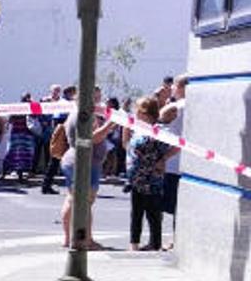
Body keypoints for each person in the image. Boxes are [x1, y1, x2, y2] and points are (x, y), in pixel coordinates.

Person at [59, 87, 116, 250]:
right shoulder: (82, 114)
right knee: (84, 203)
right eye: (95, 98)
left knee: (72, 200)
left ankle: (69, 238)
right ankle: (85, 240)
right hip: (83, 162)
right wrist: (110, 125)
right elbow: (90, 138)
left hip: (80, 160)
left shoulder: (79, 111)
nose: (98, 101)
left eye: (99, 97)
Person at [125, 96, 169, 251]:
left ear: (145, 112)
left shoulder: (159, 130)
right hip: (137, 177)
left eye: (137, 110)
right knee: (136, 212)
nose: (135, 113)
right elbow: (127, 146)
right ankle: (134, 244)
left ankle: (155, 243)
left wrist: (163, 159)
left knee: (153, 213)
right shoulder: (138, 128)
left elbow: (176, 146)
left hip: (151, 177)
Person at [159, 74, 187, 249]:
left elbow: (159, 118)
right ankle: (177, 239)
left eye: (175, 87)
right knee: (179, 207)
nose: (172, 90)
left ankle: (174, 240)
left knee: (170, 205)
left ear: (182, 87)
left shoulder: (177, 106)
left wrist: (163, 158)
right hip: (183, 164)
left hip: (172, 163)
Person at [41, 85, 78, 194]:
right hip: (64, 133)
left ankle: (46, 184)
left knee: (55, 161)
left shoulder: (64, 104)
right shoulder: (66, 104)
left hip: (63, 132)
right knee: (57, 160)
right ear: (70, 94)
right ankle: (47, 185)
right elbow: (59, 119)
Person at [3, 93, 38, 181]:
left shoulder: (31, 108)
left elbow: (36, 116)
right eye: (26, 98)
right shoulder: (17, 108)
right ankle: (6, 173)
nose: (27, 100)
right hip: (18, 134)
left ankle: (20, 176)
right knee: (13, 154)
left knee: (22, 155)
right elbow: (10, 120)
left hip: (25, 135)